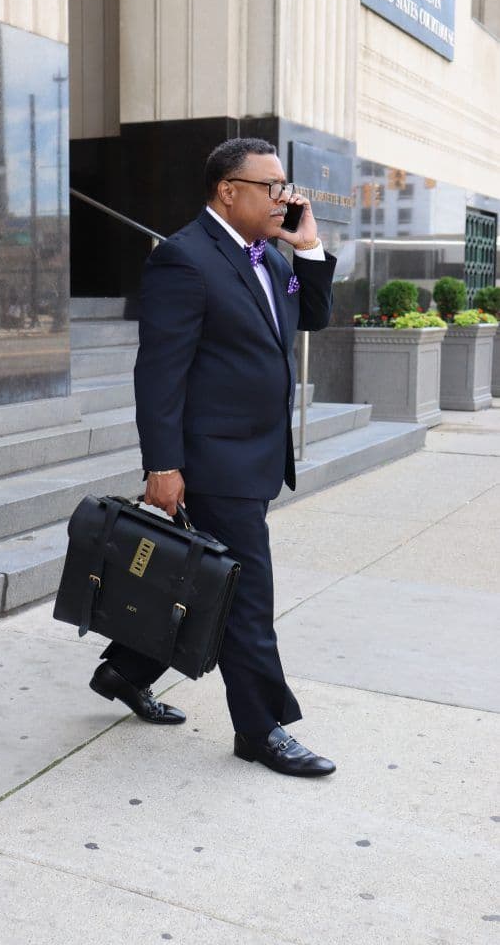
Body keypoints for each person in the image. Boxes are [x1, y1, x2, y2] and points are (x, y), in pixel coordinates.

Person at [90, 138, 337, 777]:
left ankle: (125, 670)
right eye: (272, 186)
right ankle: (260, 729)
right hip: (213, 460)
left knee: (209, 586)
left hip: (255, 454)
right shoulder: (185, 258)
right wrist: (163, 466)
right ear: (228, 190)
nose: (286, 197)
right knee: (249, 595)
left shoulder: (270, 255)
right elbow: (160, 374)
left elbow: (313, 315)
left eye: (287, 186)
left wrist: (306, 246)